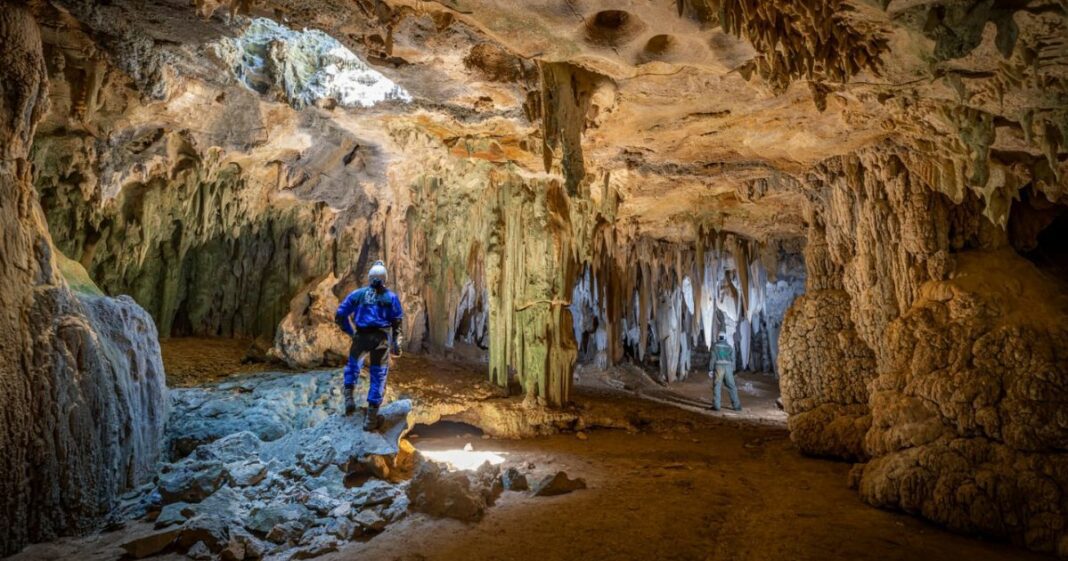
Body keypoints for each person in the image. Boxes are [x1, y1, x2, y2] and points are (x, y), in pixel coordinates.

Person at [335, 260, 404, 430]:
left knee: (352, 367)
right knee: (378, 375)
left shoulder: (357, 294)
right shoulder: (391, 298)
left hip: (361, 337)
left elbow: (340, 315)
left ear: (369, 277)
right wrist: (396, 343)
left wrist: (351, 332)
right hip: (380, 339)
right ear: (385, 278)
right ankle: (371, 420)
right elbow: (397, 323)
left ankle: (349, 400)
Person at [710, 334, 742, 412]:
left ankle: (717, 406)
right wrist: (732, 368)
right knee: (732, 386)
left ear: (718, 337)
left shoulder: (715, 346)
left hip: (719, 367)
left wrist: (710, 369)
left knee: (717, 386)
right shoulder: (729, 347)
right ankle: (737, 406)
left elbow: (712, 358)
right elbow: (732, 358)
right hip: (728, 368)